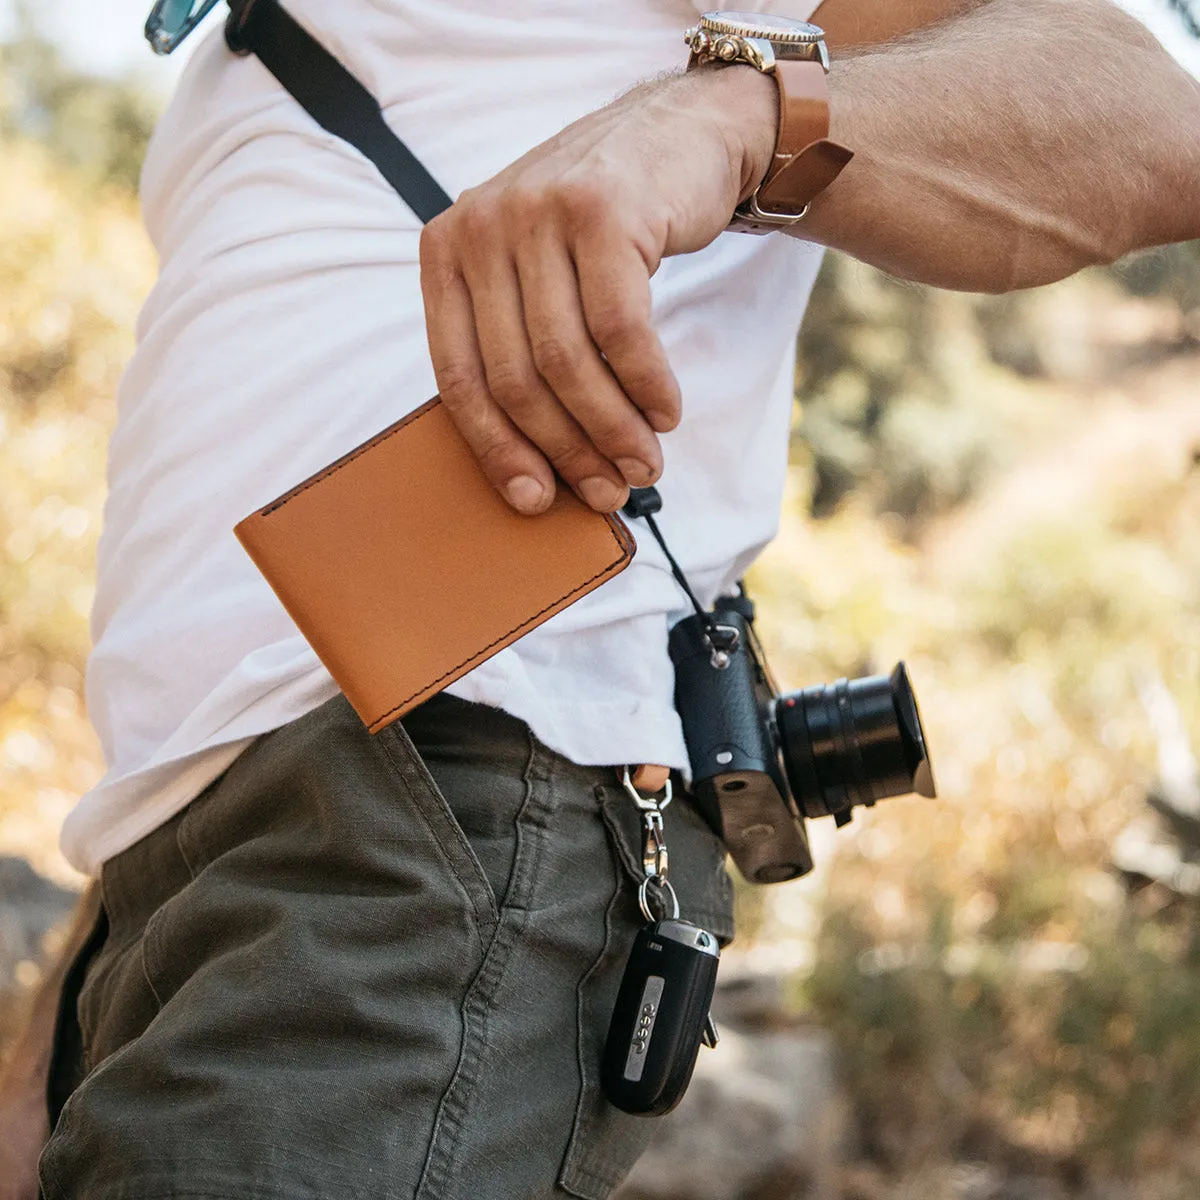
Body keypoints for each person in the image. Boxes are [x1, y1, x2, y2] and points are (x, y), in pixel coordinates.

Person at [2, 0, 1198, 1197]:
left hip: (441, 795)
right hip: (182, 861)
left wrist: (734, 115)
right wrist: (60, 1017)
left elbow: (1148, 116)